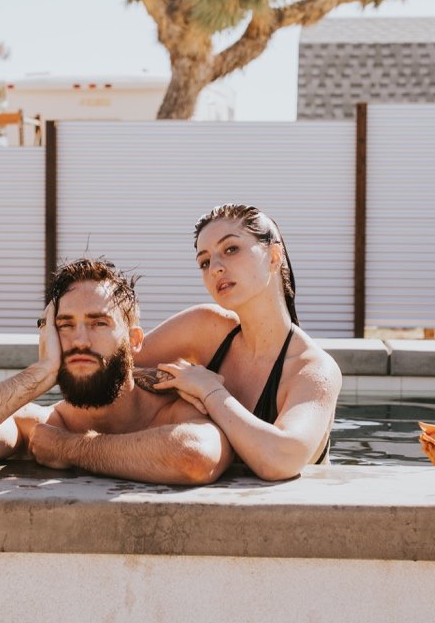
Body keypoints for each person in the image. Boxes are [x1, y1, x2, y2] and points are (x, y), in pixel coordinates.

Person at [0, 257, 232, 486]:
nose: (79, 340)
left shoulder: (176, 406)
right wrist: (39, 374)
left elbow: (194, 458)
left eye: (99, 323)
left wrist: (71, 448)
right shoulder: (40, 427)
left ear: (134, 340)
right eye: (64, 326)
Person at [137, 204, 341, 481]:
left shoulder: (313, 369)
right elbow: (106, 366)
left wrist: (209, 391)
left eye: (231, 249)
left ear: (273, 256)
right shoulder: (204, 327)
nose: (215, 269)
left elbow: (282, 459)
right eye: (205, 262)